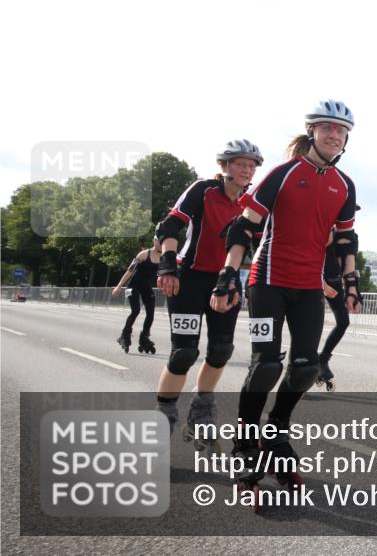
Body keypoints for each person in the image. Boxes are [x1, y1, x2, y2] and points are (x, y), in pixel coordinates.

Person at [212, 100, 361, 503]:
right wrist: (228, 274)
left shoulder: (344, 185)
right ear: (312, 131)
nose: (334, 135)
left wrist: (351, 281)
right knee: (266, 366)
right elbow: (244, 229)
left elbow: (345, 239)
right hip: (268, 282)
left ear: (346, 138)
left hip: (308, 287)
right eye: (327, 127)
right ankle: (245, 445)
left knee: (306, 367)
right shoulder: (282, 174)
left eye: (341, 130)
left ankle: (276, 432)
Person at [153, 140, 263, 452]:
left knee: (221, 349)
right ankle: (164, 415)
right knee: (184, 353)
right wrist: (167, 266)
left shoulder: (253, 202)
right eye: (240, 163)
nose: (247, 170)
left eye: (251, 165)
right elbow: (171, 225)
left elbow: (261, 244)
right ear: (224, 166)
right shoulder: (203, 190)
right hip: (188, 278)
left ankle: (201, 411)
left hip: (225, 283)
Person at [315, 204, 361, 391]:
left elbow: (349, 264)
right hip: (312, 280)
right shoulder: (320, 228)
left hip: (334, 281)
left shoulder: (351, 236)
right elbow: (311, 257)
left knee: (343, 322)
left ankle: (322, 360)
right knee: (312, 326)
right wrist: (321, 284)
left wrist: (353, 291)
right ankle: (300, 369)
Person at [112, 238, 161, 354]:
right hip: (132, 287)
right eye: (160, 241)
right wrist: (119, 286)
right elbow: (130, 271)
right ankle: (124, 335)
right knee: (136, 310)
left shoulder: (164, 257)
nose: (161, 244)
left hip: (146, 287)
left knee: (151, 313)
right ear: (154, 241)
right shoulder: (144, 254)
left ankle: (144, 338)